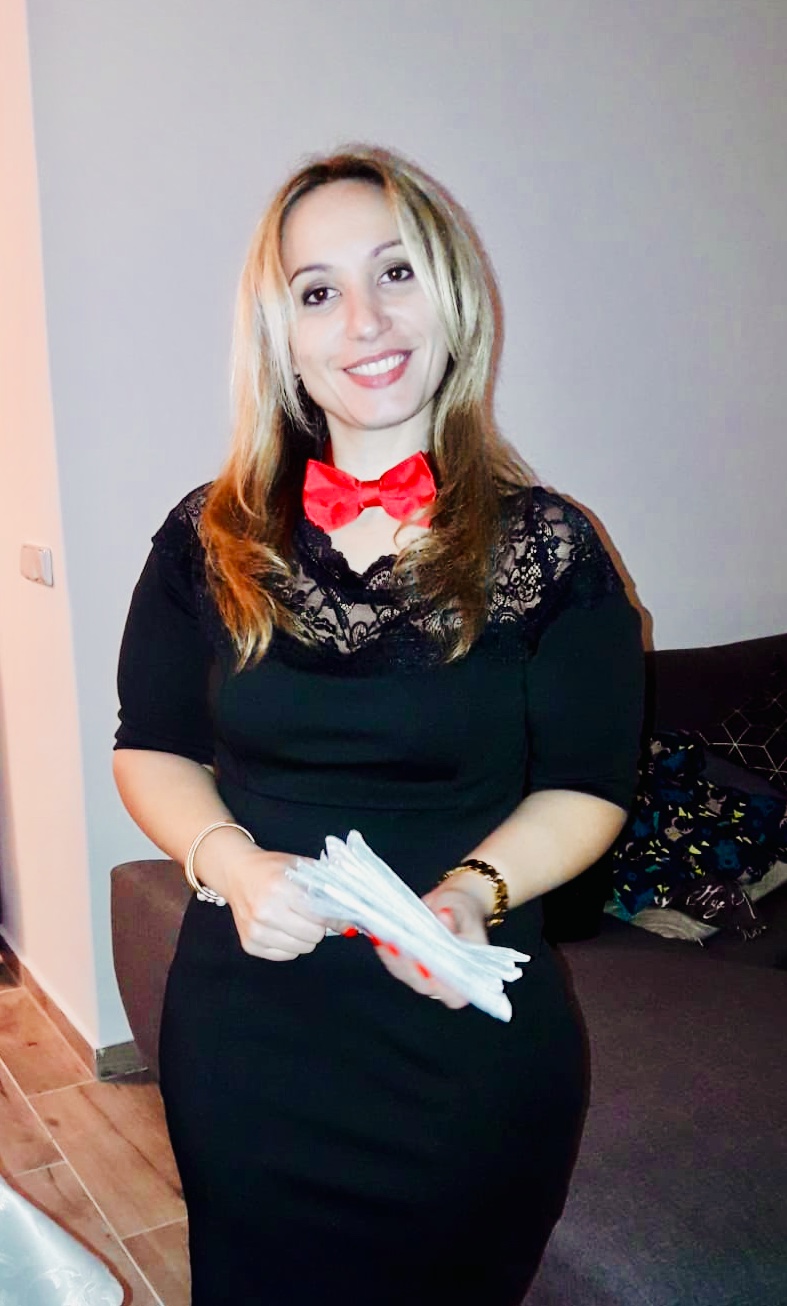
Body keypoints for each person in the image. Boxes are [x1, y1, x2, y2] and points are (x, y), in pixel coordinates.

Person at [113, 145, 644, 1306]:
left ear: (452, 295)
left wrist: (472, 893)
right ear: (284, 335)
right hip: (250, 1037)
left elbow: (589, 779)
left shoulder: (551, 547)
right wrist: (230, 863)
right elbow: (151, 744)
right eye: (318, 290)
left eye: (395, 272)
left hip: (462, 1046)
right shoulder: (205, 539)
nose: (364, 319)